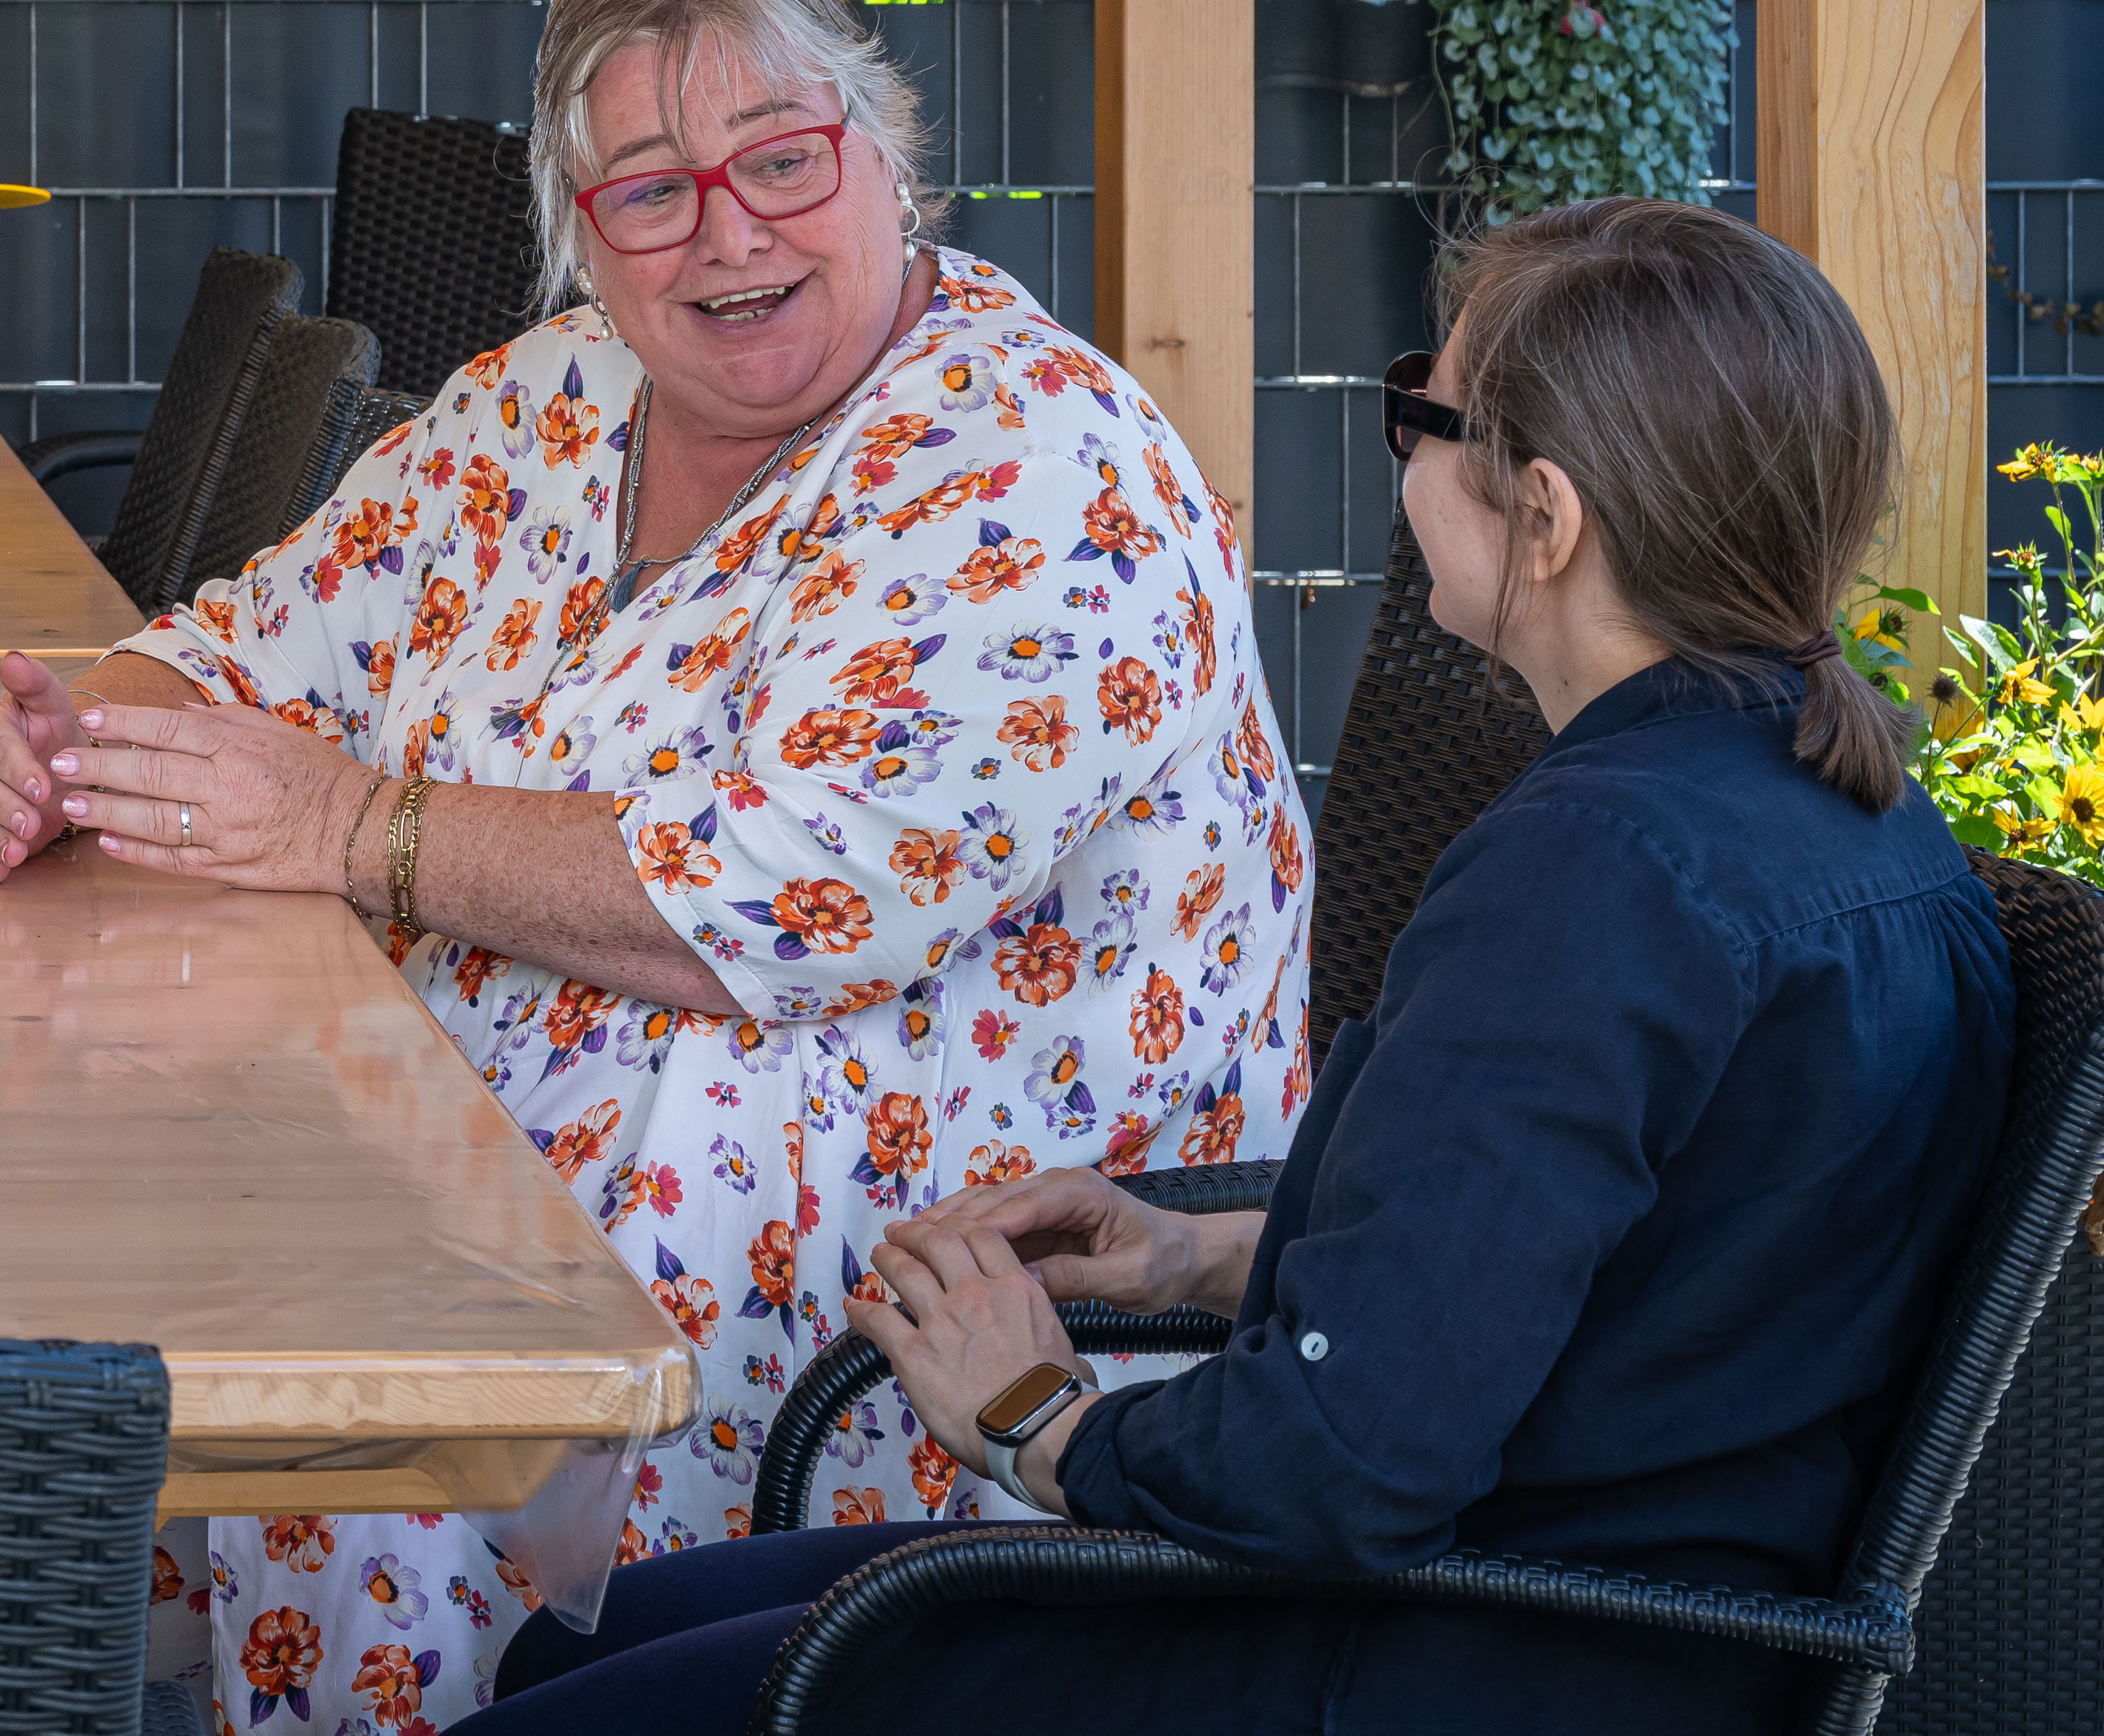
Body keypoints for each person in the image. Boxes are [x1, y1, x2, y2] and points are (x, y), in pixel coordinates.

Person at [0, 0, 1313, 1719]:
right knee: (40, 1202)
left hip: (894, 1287)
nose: (730, 233)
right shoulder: (545, 397)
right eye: (654, 190)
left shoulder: (1041, 466)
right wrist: (66, 742)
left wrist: (352, 825)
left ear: (887, 155)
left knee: (337, 1339)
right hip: (469, 1158)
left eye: (782, 160)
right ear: (580, 229)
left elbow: (793, 899)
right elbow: (243, 649)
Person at [436, 195, 2018, 1734]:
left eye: (1425, 409)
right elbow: (1644, 1280)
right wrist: (1204, 1255)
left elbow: (1335, 1468)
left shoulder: (1594, 877)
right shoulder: (1866, 827)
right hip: (1630, 1637)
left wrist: (1033, 1414)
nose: (1403, 448)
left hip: (1436, 1650)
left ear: (1545, 518)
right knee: (592, 1636)